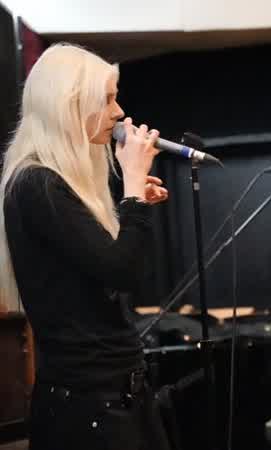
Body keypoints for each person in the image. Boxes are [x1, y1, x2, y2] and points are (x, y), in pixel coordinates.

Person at [0, 43, 170, 450]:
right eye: (107, 99)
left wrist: (134, 205)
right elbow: (122, 271)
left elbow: (116, 269)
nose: (118, 112)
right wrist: (132, 192)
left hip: (117, 396)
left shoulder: (59, 184)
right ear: (70, 104)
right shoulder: (37, 184)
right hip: (88, 409)